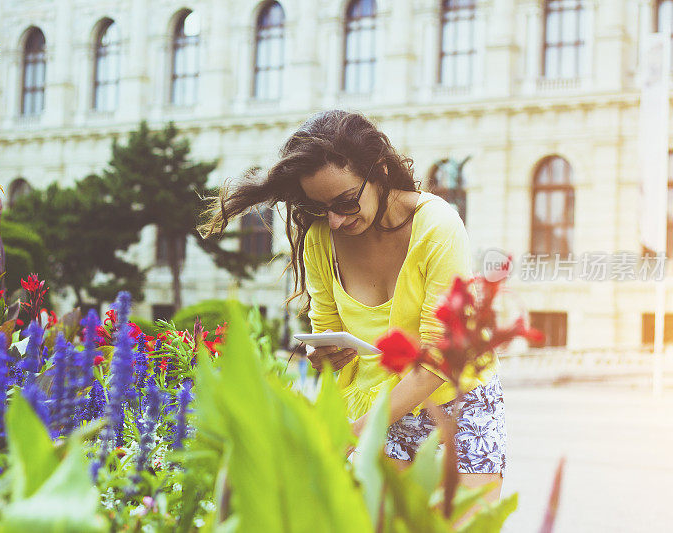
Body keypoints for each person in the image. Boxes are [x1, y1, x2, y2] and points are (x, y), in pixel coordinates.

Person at [198, 109, 504, 501]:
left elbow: (439, 358)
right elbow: (324, 332)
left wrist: (357, 433)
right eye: (318, 207)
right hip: (370, 406)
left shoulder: (437, 225)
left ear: (377, 171)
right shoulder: (320, 240)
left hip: (456, 408)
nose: (335, 221)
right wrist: (321, 353)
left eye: (345, 202)